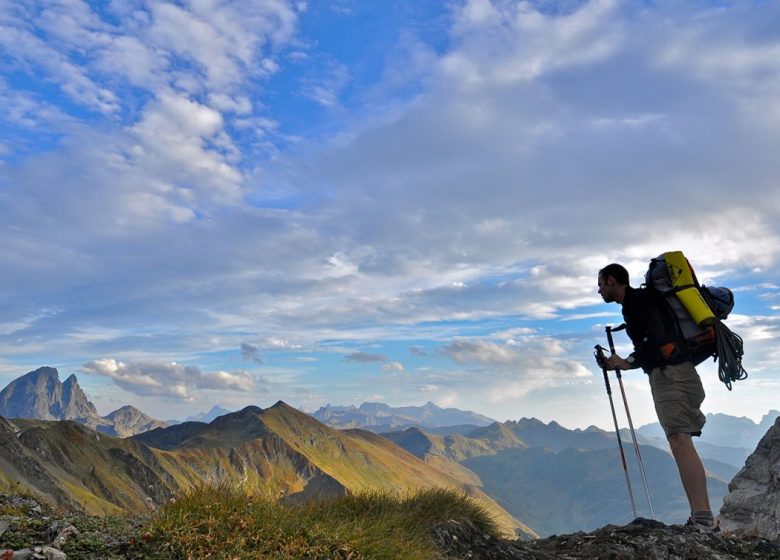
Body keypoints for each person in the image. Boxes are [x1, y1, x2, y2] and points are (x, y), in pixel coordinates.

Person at [597, 263, 717, 531]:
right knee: (678, 440)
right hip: (672, 374)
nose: (599, 290)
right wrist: (627, 361)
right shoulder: (636, 304)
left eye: (602, 283)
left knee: (679, 439)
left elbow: (659, 340)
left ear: (613, 280)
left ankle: (703, 518)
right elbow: (653, 341)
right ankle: (701, 516)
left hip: (672, 374)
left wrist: (628, 361)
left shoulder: (639, 301)